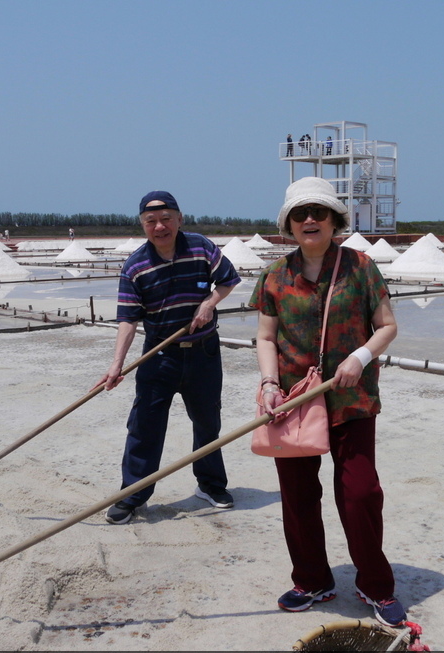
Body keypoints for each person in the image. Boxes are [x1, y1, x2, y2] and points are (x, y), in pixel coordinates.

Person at [248, 176, 406, 627]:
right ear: (290, 224)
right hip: (294, 401)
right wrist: (269, 384)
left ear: (335, 220)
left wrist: (360, 356)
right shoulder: (275, 275)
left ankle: (376, 585)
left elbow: (386, 326)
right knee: (297, 496)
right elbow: (264, 337)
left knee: (360, 494)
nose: (310, 220)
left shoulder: (360, 267)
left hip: (351, 399)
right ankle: (312, 580)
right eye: (301, 214)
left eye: (319, 212)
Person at [96, 190, 241, 524]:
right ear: (143, 225)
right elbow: (128, 319)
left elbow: (228, 280)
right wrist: (116, 364)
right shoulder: (135, 266)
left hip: (203, 353)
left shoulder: (201, 247)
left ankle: (211, 485)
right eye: (151, 221)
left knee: (207, 422)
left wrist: (208, 304)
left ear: (179, 219)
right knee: (145, 426)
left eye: (166, 219)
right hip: (159, 355)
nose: (159, 227)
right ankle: (132, 496)